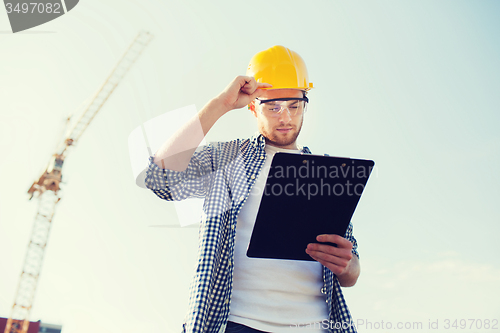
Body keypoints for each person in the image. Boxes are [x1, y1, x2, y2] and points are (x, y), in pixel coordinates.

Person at [145, 46, 360, 333]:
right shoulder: (226, 158)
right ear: (252, 106)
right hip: (236, 323)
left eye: (294, 106)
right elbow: (160, 178)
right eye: (273, 107)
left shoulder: (328, 174)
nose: (285, 117)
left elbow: (352, 272)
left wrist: (348, 265)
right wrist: (220, 104)